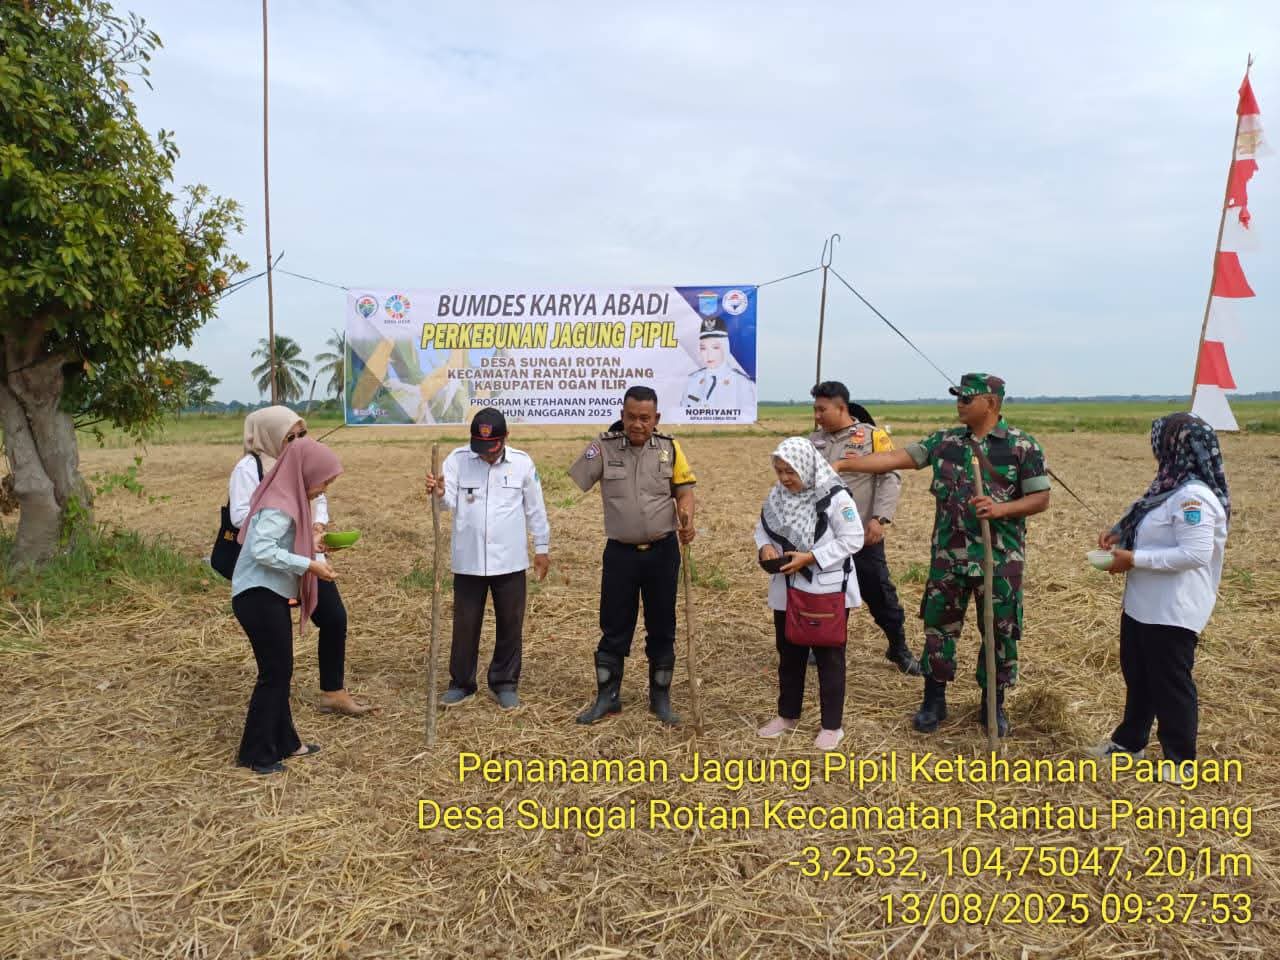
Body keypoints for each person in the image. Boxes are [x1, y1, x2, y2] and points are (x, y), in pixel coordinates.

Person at [842, 374, 1051, 737]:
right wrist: (846, 465)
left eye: (967, 399)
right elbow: (896, 458)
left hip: (999, 561)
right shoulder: (945, 442)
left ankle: (992, 704)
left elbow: (1040, 499)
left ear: (991, 403)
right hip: (948, 558)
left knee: (1000, 633)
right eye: (957, 397)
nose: (959, 404)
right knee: (939, 630)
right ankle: (934, 700)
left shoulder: (1022, 447)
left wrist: (1001, 509)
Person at [1086, 413, 1229, 782]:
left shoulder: (1193, 497)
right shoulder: (1169, 487)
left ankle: (1180, 758)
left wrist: (1133, 559)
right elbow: (1150, 522)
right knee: (1139, 676)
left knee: (1170, 683)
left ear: (1173, 447)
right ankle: (1129, 742)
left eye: (1158, 440)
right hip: (1142, 604)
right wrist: (1121, 534)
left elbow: (1194, 554)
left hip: (1173, 609)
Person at [230, 407, 374, 716]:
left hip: (303, 557)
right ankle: (273, 713)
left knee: (334, 618)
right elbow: (244, 520)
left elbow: (318, 499)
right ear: (268, 437)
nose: (297, 442)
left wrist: (315, 529)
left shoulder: (305, 459)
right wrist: (286, 520)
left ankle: (332, 691)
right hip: (274, 569)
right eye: (289, 437)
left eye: (302, 435)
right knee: (276, 660)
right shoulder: (250, 468)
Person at [570, 386, 696, 726]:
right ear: (622, 415)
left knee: (662, 626)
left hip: (662, 552)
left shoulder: (670, 449)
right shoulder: (605, 446)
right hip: (620, 555)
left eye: (645, 418)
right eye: (631, 417)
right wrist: (597, 446)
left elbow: (684, 492)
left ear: (656, 419)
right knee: (613, 627)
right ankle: (608, 698)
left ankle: (660, 699)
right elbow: (578, 476)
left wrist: (687, 517)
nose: (637, 424)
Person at [424, 408, 551, 710]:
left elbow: (536, 508)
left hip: (510, 561)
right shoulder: (457, 460)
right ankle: (461, 683)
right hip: (468, 560)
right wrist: (439, 493)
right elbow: (446, 503)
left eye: (492, 449)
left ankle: (505, 682)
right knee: (465, 624)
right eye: (481, 449)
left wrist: (542, 548)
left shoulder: (521, 463)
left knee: (511, 623)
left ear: (505, 438)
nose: (486, 456)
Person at [231, 438, 343, 774]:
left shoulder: (288, 498)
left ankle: (286, 742)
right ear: (306, 472)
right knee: (274, 673)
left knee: (281, 671)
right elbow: (261, 551)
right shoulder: (281, 503)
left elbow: (280, 542)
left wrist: (314, 545)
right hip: (257, 596)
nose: (323, 488)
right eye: (323, 481)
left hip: (268, 594)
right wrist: (310, 565)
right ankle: (256, 754)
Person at [755, 438, 865, 751]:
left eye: (790, 471)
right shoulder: (778, 495)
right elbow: (762, 527)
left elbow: (853, 538)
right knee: (789, 654)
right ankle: (787, 715)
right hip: (787, 588)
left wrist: (811, 558)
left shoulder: (834, 496)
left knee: (830, 656)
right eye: (779, 471)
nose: (785, 478)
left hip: (824, 590)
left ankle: (832, 725)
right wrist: (764, 547)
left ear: (807, 466)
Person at [809, 381, 920, 675]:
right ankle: (822, 648)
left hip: (861, 535)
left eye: (822, 409)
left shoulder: (871, 437)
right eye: (815, 409)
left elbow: (890, 478)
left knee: (881, 595)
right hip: (824, 537)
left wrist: (879, 519)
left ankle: (898, 647)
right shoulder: (813, 441)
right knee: (825, 595)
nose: (817, 415)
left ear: (841, 408)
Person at [681, 316, 756, 411]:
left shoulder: (742, 383)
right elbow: (683, 414)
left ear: (725, 348)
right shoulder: (692, 381)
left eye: (715, 347)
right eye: (703, 348)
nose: (709, 354)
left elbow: (748, 418)